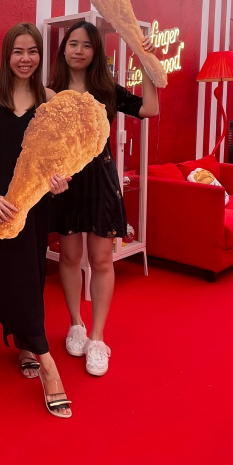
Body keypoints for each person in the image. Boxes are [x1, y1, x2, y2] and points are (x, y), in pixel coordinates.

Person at [0, 23, 73, 418]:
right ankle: (48, 366)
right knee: (8, 274)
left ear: (40, 55)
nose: (25, 59)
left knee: (30, 275)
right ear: (7, 54)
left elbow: (53, 157)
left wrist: (58, 180)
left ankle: (27, 344)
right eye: (18, 51)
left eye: (32, 51)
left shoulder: (49, 98)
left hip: (33, 204)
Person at [48, 21, 159, 376]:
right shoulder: (50, 91)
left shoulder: (107, 89)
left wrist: (146, 62)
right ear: (64, 48)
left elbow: (149, 109)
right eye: (73, 43)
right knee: (69, 256)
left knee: (101, 259)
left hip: (101, 180)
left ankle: (97, 338)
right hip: (65, 183)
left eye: (87, 45)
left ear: (96, 51)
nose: (79, 50)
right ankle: (76, 324)